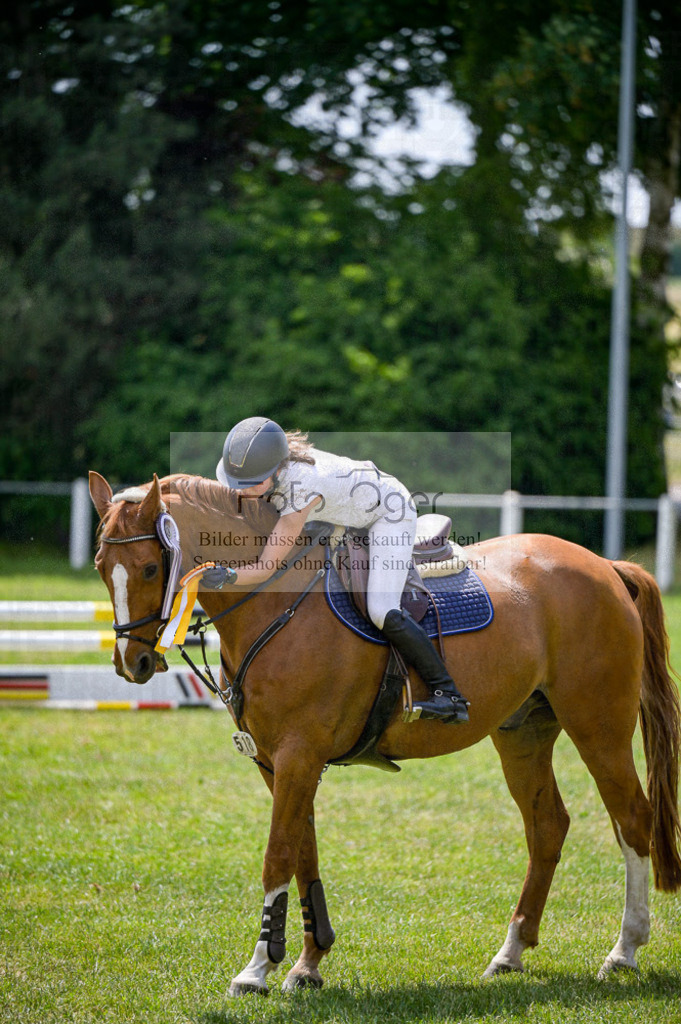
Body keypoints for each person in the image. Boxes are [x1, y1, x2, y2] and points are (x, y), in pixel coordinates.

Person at [208, 416, 469, 724]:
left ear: (278, 470)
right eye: (238, 484)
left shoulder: (302, 489)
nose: (241, 492)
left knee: (381, 609)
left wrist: (228, 575)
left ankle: (449, 694)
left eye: (252, 484)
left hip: (389, 513)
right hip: (346, 510)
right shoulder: (265, 474)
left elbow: (266, 567)